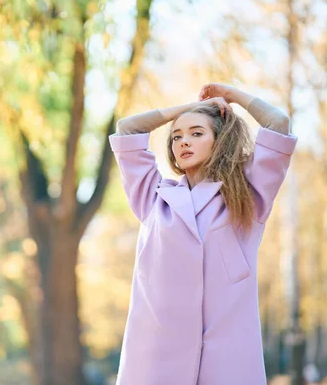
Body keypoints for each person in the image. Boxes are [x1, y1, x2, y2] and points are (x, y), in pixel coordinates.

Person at [108, 83, 298, 384]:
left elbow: (278, 124)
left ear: (219, 140)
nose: (184, 142)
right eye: (176, 136)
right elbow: (127, 129)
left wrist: (232, 97)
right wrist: (186, 109)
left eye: (197, 133)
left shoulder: (247, 196)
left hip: (227, 356)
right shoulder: (153, 198)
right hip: (156, 356)